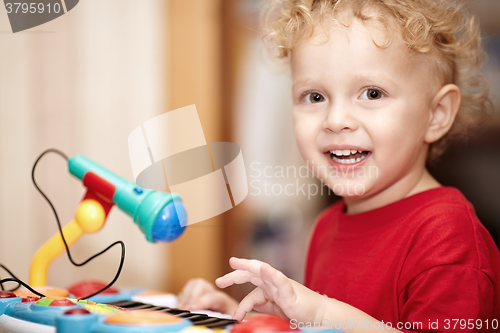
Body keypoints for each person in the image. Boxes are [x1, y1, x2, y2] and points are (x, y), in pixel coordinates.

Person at [177, 0, 500, 331]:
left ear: (437, 114)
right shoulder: (326, 227)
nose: (335, 120)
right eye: (314, 97)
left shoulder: (449, 240)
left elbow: (327, 318)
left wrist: (319, 313)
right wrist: (242, 317)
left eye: (372, 93)